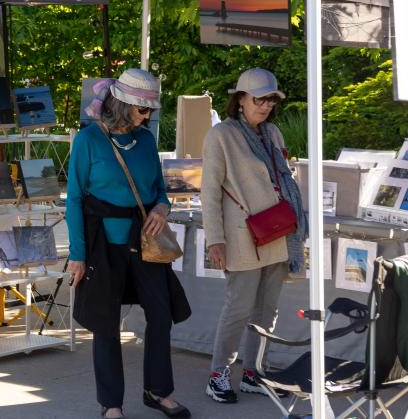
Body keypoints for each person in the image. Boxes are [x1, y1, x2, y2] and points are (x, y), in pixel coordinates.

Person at [66, 68, 191, 419]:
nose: (148, 116)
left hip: (146, 239)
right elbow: (73, 199)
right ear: (123, 105)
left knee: (162, 314)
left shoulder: (147, 140)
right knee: (106, 322)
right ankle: (112, 404)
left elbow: (161, 192)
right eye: (143, 110)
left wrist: (163, 208)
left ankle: (158, 391)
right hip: (102, 241)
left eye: (150, 110)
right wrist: (77, 255)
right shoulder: (88, 140)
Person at [201, 68, 307, 404]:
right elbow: (209, 191)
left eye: (270, 100)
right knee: (239, 308)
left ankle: (253, 371)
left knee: (267, 310)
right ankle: (218, 374)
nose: (265, 106)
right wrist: (214, 238)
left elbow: (283, 178)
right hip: (242, 236)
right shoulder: (222, 135)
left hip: (278, 232)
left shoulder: (273, 133)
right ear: (241, 99)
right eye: (258, 99)